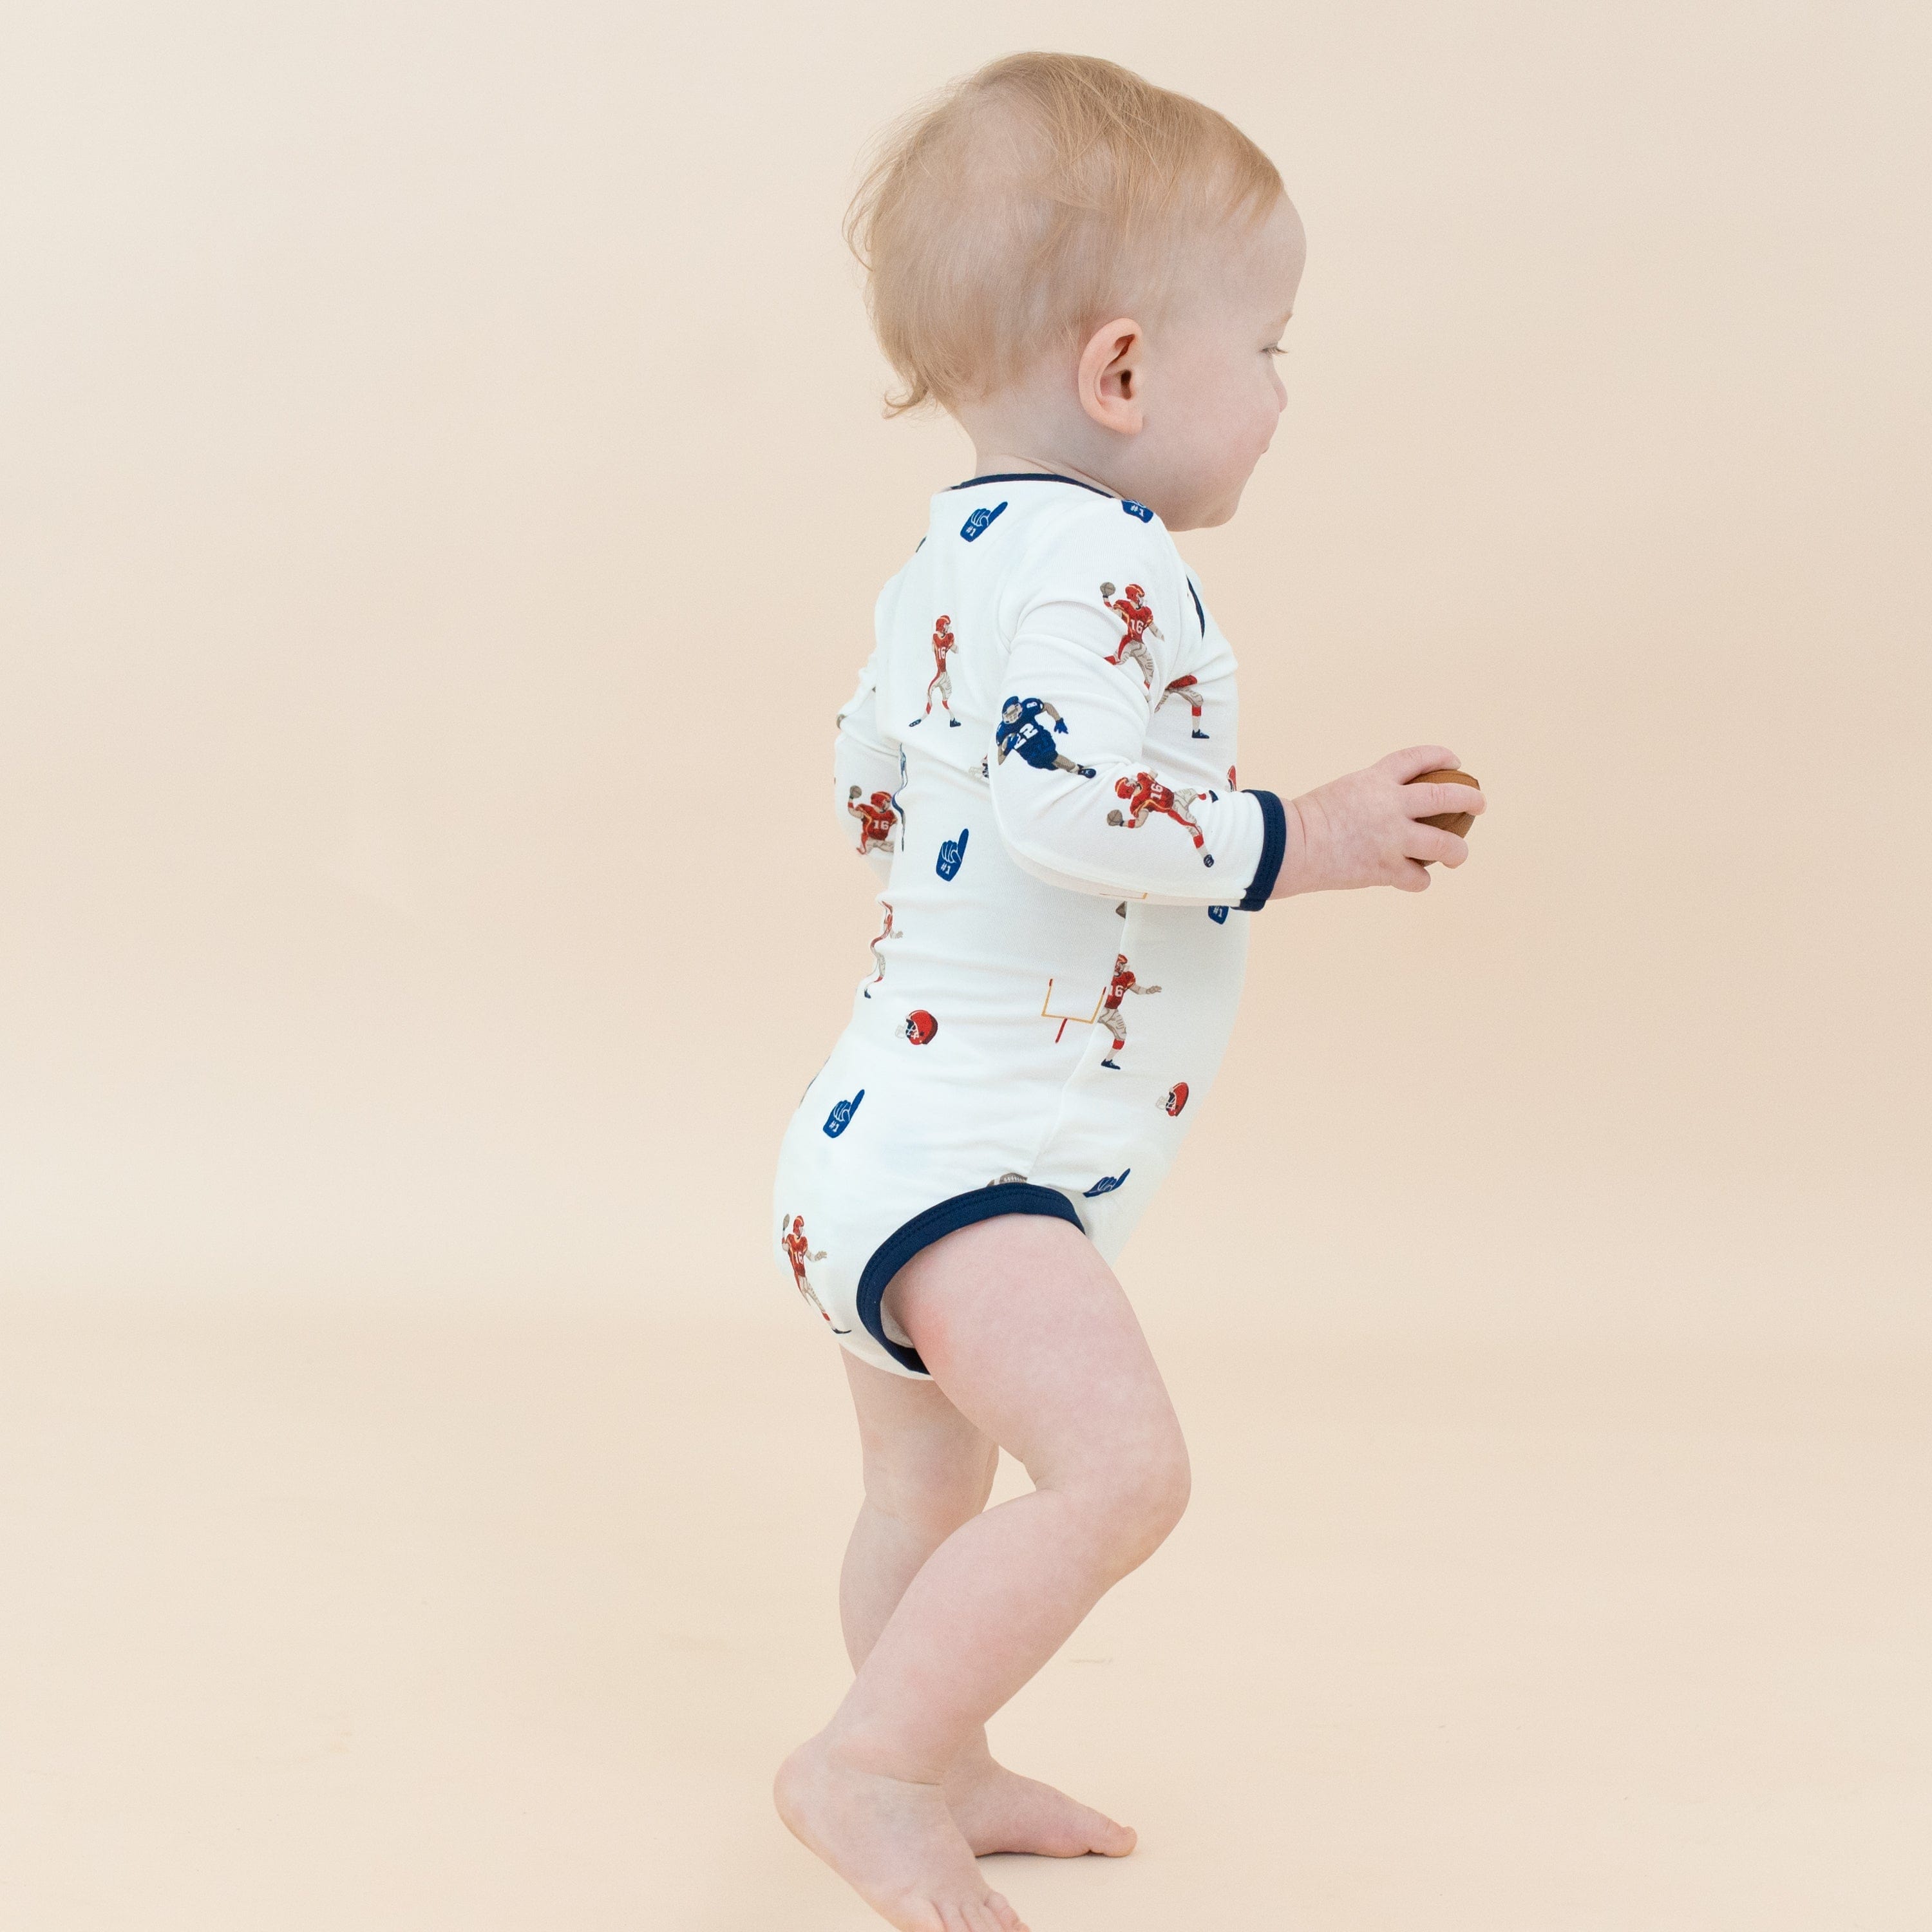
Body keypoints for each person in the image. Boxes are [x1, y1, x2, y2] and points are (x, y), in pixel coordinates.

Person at [769, 52, 1484, 1932]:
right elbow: (1069, 806)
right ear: (1123, 374)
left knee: (923, 1502)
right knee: (1123, 1475)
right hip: (975, 1165)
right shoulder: (1104, 561)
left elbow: (867, 779)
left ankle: (937, 1752)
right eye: (1270, 346)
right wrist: (1307, 835)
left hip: (870, 1139)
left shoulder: (950, 555)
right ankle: (868, 1767)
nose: (1283, 393)